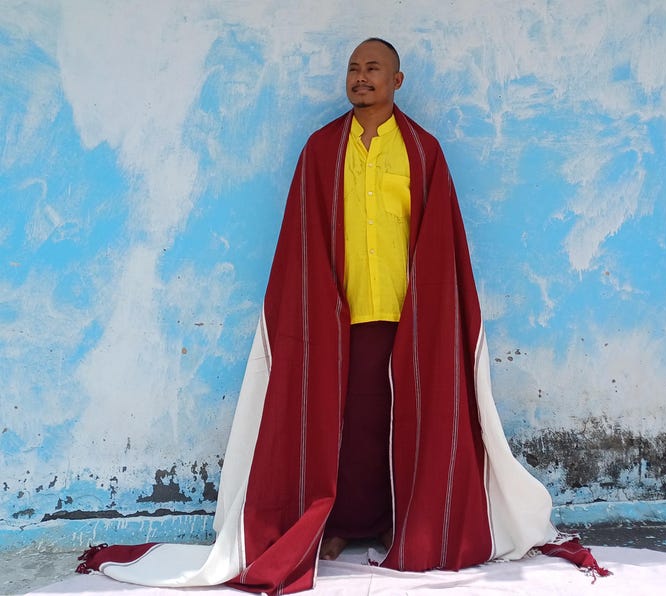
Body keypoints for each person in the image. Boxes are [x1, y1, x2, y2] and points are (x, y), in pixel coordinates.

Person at [77, 38, 606, 594]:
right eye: (353, 69)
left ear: (397, 81)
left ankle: (397, 521)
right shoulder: (322, 149)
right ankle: (336, 524)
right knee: (342, 426)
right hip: (337, 317)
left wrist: (430, 311)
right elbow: (302, 239)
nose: (360, 77)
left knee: (400, 423)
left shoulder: (422, 152)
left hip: (406, 317)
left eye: (373, 68)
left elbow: (440, 240)